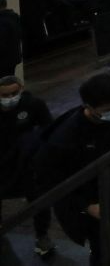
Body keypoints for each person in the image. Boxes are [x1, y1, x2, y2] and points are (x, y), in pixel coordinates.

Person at [33, 74, 110, 266]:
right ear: (88, 107)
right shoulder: (64, 140)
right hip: (90, 201)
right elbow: (49, 181)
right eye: (109, 109)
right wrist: (85, 205)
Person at [0, 75, 54, 256]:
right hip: (3, 162)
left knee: (39, 200)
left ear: (21, 89)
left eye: (14, 93)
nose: (10, 98)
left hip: (27, 161)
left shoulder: (34, 105)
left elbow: (48, 129)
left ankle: (42, 235)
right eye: (5, 95)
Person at [0, 0, 22, 77]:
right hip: (14, 56)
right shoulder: (14, 17)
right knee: (9, 79)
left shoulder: (2, 21)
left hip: (3, 60)